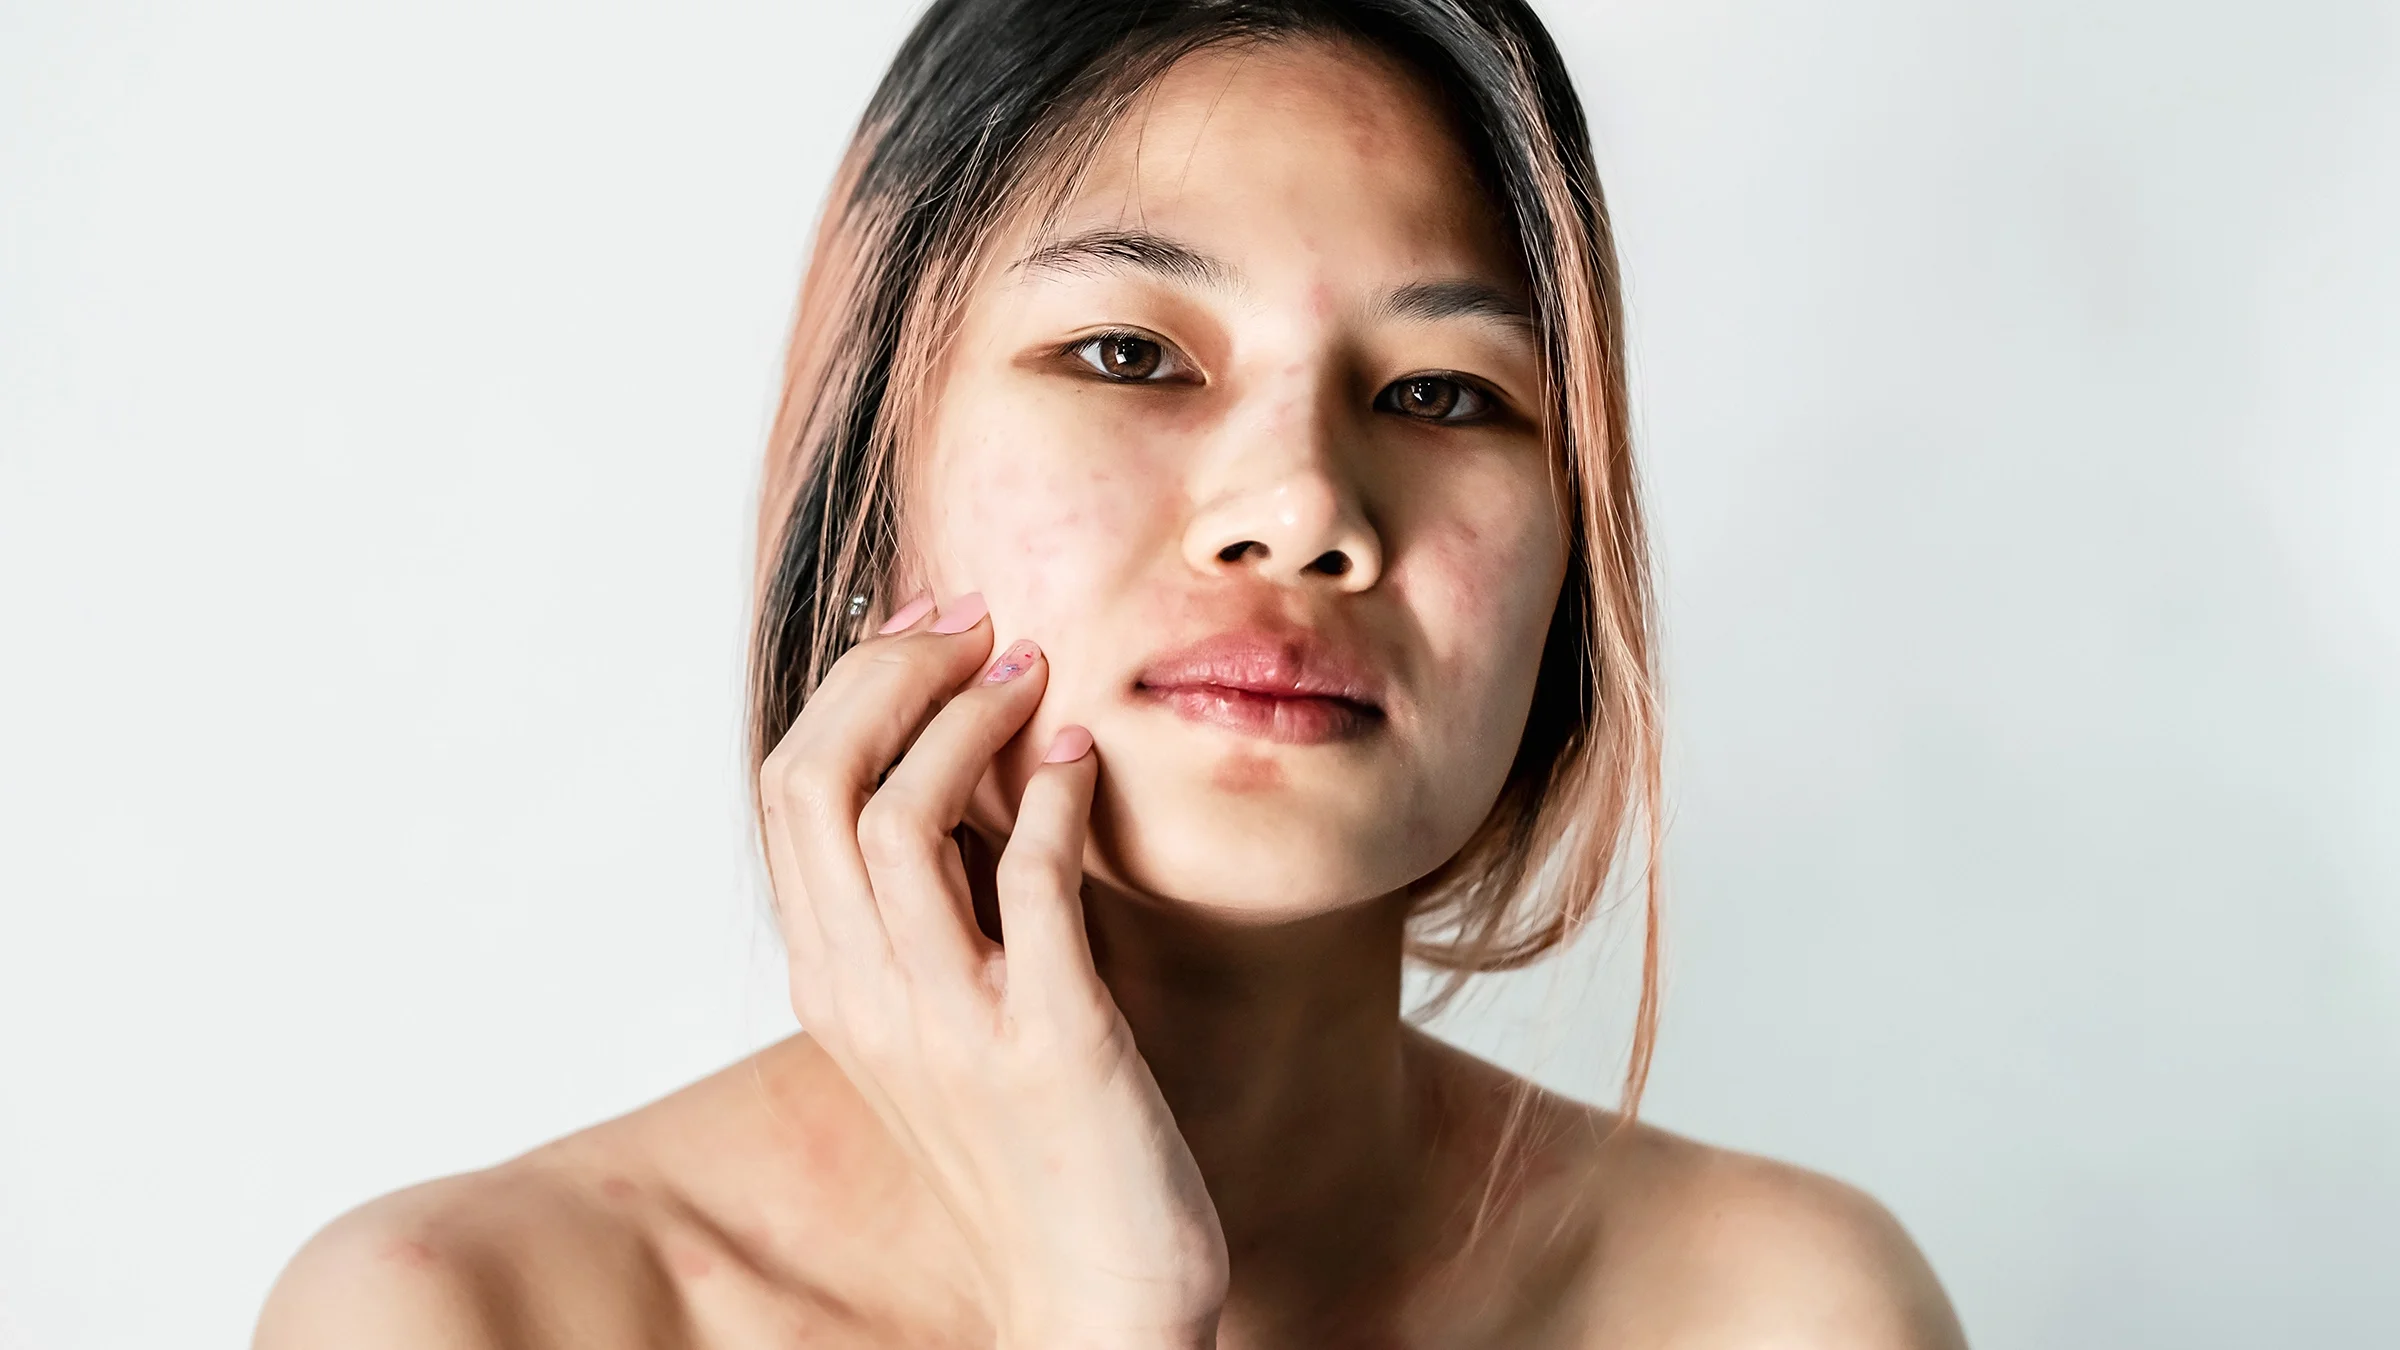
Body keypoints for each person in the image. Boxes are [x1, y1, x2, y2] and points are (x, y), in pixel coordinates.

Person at [256, 1, 1969, 1345]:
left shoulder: (1781, 1312)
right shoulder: (469, 1315)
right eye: (1129, 354)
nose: (1304, 511)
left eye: (1444, 392)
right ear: (870, 479)